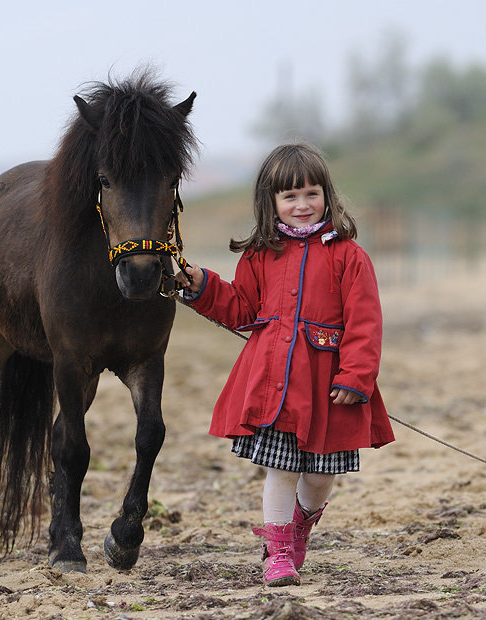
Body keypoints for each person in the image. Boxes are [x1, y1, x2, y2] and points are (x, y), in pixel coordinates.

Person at [179, 142, 395, 587]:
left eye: (311, 193)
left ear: (327, 196)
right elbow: (240, 309)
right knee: (282, 470)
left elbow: (365, 324)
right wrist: (200, 285)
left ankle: (300, 523)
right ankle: (277, 552)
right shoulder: (261, 253)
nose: (302, 205)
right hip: (274, 387)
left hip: (330, 389)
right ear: (271, 201)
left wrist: (356, 378)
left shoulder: (350, 256)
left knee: (318, 477)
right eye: (290, 196)